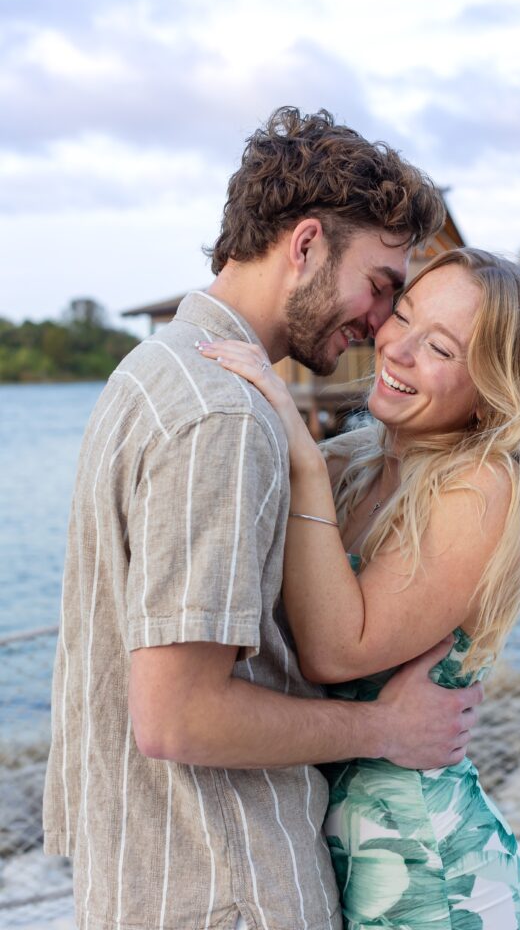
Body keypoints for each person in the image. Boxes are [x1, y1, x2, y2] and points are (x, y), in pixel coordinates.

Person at [43, 107, 484, 930]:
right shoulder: (225, 416)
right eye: (383, 285)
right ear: (307, 244)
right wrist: (384, 727)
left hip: (154, 877)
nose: (382, 323)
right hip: (230, 884)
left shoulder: (151, 371)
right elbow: (178, 715)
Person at [197, 245, 520, 929]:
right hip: (344, 855)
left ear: (492, 387)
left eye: (442, 349)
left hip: (429, 873)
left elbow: (337, 652)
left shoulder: (480, 484)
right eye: (402, 315)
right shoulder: (354, 466)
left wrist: (302, 456)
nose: (397, 349)